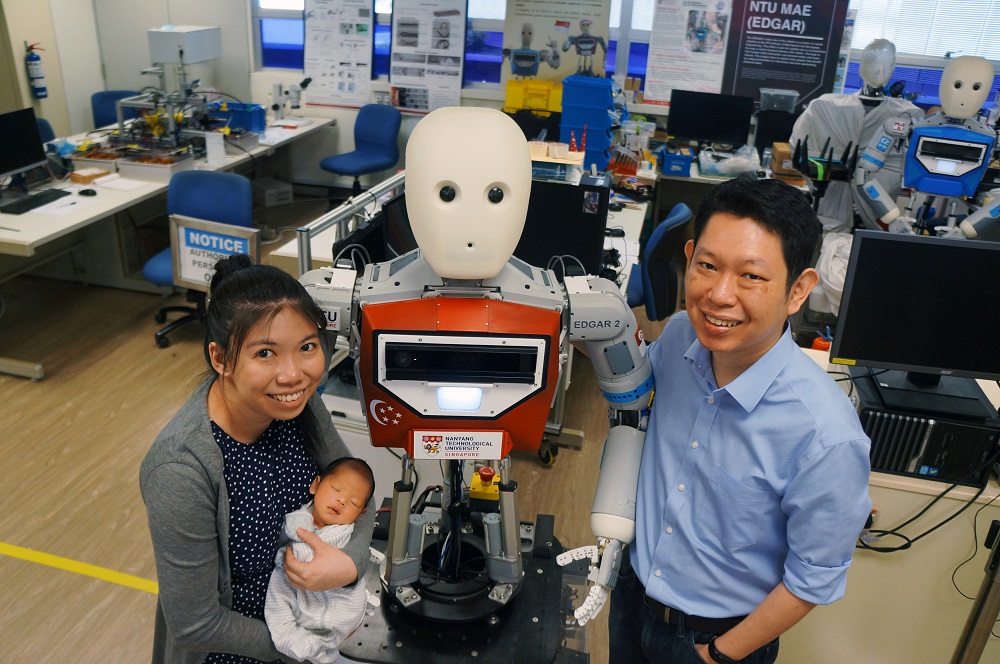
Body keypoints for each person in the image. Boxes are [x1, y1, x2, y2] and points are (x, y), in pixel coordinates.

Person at [608, 175, 871, 664]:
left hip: (715, 642)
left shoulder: (826, 438)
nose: (719, 296)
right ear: (689, 259)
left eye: (751, 276)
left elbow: (814, 576)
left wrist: (719, 656)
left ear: (798, 291)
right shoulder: (682, 335)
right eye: (706, 266)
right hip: (632, 598)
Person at [140, 254, 376, 664]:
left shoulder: (297, 404)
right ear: (220, 359)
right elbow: (195, 625)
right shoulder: (180, 471)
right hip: (246, 649)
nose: (292, 374)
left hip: (309, 621)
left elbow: (359, 489)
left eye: (306, 347)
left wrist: (349, 566)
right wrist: (300, 650)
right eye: (265, 353)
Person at [265, 457, 375, 664]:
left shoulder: (343, 531)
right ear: (315, 485)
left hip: (340, 604)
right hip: (293, 587)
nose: (342, 501)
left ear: (360, 515)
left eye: (353, 503)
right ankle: (300, 645)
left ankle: (327, 648)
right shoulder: (298, 517)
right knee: (278, 605)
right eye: (336, 489)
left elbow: (343, 556)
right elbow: (285, 540)